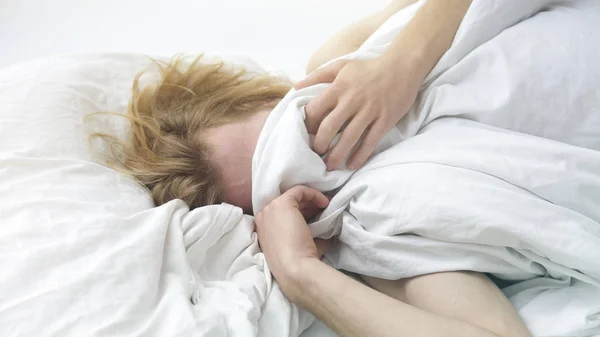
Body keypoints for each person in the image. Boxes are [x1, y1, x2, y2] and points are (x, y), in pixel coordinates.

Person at [100, 0, 532, 336]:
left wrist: (401, 63)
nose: (333, 155)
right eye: (286, 179)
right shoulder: (375, 235)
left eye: (301, 131)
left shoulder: (341, 58)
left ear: (277, 97)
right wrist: (302, 277)